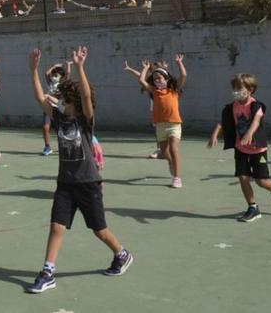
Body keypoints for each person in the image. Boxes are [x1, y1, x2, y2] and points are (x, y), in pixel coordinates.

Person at [26, 47, 132, 294]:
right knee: (56, 226)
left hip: (88, 182)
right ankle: (47, 272)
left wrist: (81, 67)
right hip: (65, 182)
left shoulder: (85, 121)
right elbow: (40, 97)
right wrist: (32, 70)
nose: (60, 102)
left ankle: (122, 254)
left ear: (73, 103)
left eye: (64, 100)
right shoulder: (59, 119)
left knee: (100, 230)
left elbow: (85, 97)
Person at [207, 73, 271, 222]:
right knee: (243, 177)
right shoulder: (231, 107)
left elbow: (256, 121)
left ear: (250, 89)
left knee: (261, 181)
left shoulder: (256, 105)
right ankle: (253, 207)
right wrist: (214, 134)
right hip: (241, 148)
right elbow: (222, 122)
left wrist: (249, 133)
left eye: (239, 88)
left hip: (258, 150)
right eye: (234, 88)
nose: (235, 91)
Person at [135, 55, 188, 188]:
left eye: (159, 78)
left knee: (174, 149)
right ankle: (170, 162)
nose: (157, 80)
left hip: (174, 125)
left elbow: (183, 75)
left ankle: (177, 178)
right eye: (155, 79)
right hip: (160, 126)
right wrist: (146, 68)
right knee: (164, 153)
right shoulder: (155, 91)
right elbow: (141, 81)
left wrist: (179, 63)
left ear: (167, 78)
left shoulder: (174, 91)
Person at [41, 62, 70, 156]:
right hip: (48, 108)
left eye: (56, 75)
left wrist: (69, 65)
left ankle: (64, 146)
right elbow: (46, 73)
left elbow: (68, 75)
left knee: (60, 130)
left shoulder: (63, 85)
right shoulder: (50, 84)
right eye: (53, 75)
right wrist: (55, 66)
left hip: (59, 109)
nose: (53, 76)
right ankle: (47, 147)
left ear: (61, 77)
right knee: (45, 127)